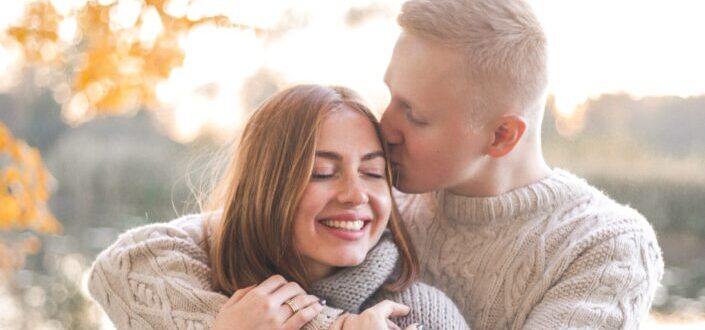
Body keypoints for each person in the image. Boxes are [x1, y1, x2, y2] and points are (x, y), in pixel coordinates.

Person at [90, 0, 664, 329]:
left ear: (500, 134)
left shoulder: (604, 246)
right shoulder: (376, 197)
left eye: (414, 115)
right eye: (390, 95)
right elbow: (133, 265)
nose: (383, 127)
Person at [88, 84, 469, 330]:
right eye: (321, 173)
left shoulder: (418, 316)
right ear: (267, 187)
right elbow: (118, 265)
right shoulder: (197, 272)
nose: (355, 194)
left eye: (372, 172)